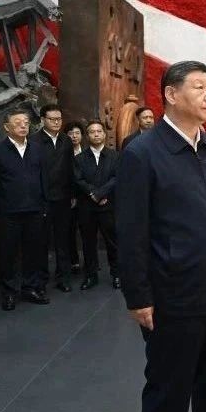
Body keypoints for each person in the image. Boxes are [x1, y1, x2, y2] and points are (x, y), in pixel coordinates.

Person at [117, 61, 206, 412]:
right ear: (171, 94)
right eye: (199, 87)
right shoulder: (142, 153)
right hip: (174, 297)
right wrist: (138, 296)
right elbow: (131, 230)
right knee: (169, 387)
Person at [0, 108, 50, 311]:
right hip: (8, 212)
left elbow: (44, 178)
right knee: (8, 253)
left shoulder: (37, 149)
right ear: (7, 127)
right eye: (18, 123)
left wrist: (45, 204)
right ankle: (9, 292)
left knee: (34, 251)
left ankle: (30, 288)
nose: (23, 126)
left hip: (35, 209)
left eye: (26, 122)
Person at [29, 104, 76, 292]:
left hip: (63, 198)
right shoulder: (33, 141)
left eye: (59, 119)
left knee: (62, 240)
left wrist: (72, 194)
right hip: (42, 199)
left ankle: (63, 278)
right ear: (43, 120)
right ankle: (40, 281)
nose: (57, 122)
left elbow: (70, 169)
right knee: (41, 242)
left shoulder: (66, 140)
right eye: (52, 119)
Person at [74, 120, 119, 290]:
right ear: (87, 136)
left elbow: (117, 177)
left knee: (113, 242)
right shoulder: (79, 158)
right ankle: (91, 276)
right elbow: (78, 179)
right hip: (87, 207)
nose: (96, 134)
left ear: (104, 134)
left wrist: (100, 194)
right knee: (88, 243)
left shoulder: (115, 156)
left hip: (108, 206)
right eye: (92, 132)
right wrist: (93, 193)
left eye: (99, 131)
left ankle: (117, 274)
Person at [64, 121, 86, 275]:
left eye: (77, 133)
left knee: (87, 231)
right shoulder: (63, 153)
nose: (74, 136)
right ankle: (74, 261)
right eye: (70, 133)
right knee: (70, 231)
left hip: (86, 197)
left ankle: (91, 262)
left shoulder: (87, 151)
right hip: (69, 199)